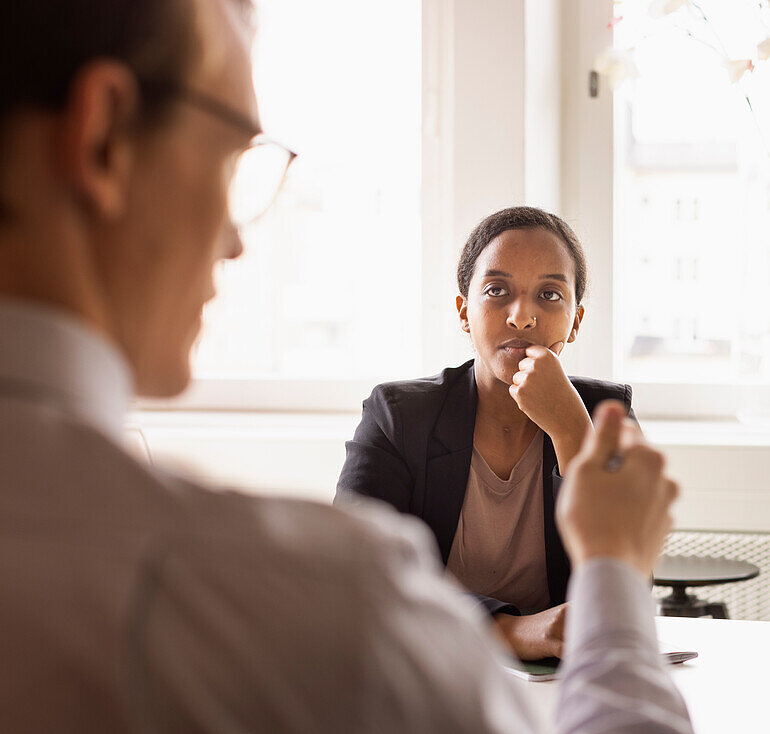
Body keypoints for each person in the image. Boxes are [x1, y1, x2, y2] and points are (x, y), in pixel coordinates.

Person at [0, 1, 692, 732]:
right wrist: (612, 563)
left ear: (576, 317)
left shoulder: (597, 413)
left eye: (548, 296)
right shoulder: (331, 595)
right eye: (233, 155)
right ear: (105, 136)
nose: (236, 241)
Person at [336, 206, 633, 661]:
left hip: (559, 684)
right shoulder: (398, 417)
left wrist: (573, 435)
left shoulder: (606, 417)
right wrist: (514, 632)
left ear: (575, 321)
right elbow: (355, 577)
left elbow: (626, 589)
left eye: (550, 295)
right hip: (423, 664)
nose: (521, 317)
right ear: (464, 312)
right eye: (497, 290)